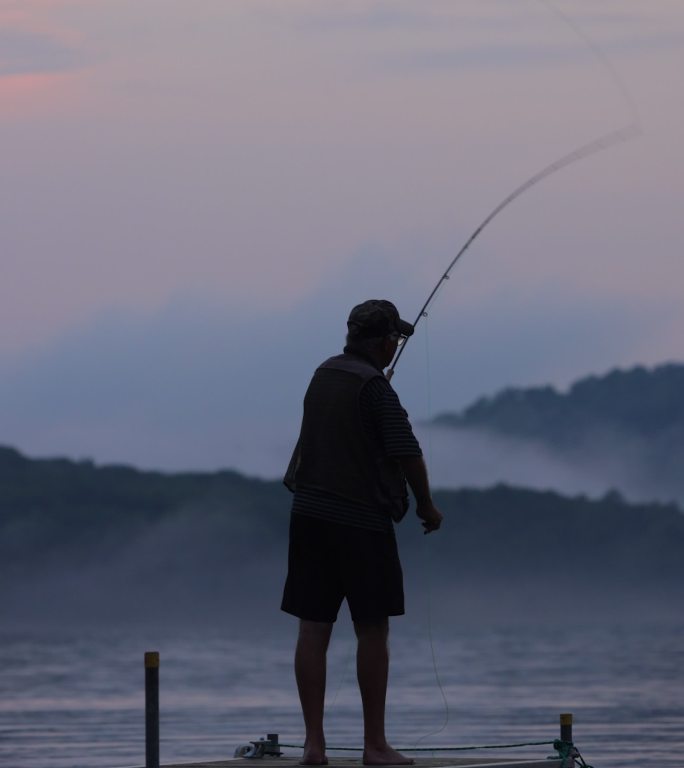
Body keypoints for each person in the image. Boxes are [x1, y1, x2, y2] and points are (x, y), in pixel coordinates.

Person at [281, 299, 443, 766]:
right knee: (372, 629)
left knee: (313, 628)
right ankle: (375, 746)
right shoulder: (374, 388)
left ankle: (314, 745)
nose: (396, 345)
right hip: (360, 523)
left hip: (308, 516)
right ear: (383, 341)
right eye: (395, 337)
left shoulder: (323, 375)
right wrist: (428, 507)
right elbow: (407, 452)